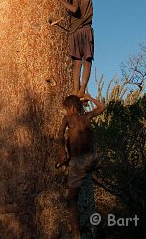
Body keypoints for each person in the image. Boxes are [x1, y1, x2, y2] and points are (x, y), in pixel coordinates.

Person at [56, 94, 106, 239]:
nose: (66, 112)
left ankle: (76, 235)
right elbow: (102, 107)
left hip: (80, 163)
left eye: (66, 109)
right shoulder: (86, 116)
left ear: (71, 108)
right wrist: (89, 98)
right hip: (93, 159)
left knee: (71, 200)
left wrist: (62, 153)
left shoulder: (68, 119)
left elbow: (60, 135)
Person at [59, 0, 94, 98]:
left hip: (77, 32)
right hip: (87, 31)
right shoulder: (89, 0)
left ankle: (76, 88)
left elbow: (74, 9)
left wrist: (61, 0)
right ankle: (82, 89)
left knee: (77, 62)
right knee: (87, 62)